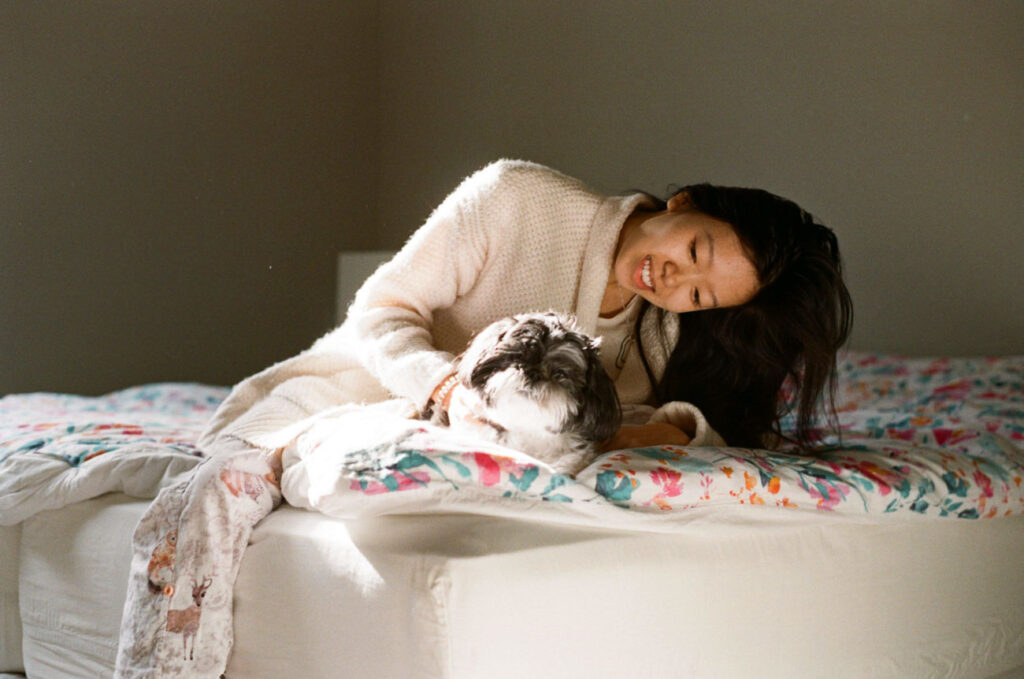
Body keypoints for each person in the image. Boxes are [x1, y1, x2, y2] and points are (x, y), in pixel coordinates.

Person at [115, 159, 852, 676]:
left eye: (698, 295)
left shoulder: (661, 334)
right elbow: (379, 308)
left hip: (422, 441)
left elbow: (676, 422)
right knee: (220, 488)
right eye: (694, 250)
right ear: (684, 201)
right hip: (355, 389)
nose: (674, 281)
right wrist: (440, 382)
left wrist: (657, 430)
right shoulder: (514, 199)